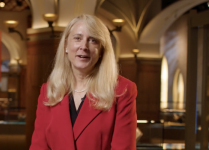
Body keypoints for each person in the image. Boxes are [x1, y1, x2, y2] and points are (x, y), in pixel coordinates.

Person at [30, 14, 137, 150]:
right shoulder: (49, 90)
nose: (84, 46)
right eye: (77, 38)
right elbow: (39, 146)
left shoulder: (122, 90)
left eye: (93, 40)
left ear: (102, 50)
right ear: (66, 46)